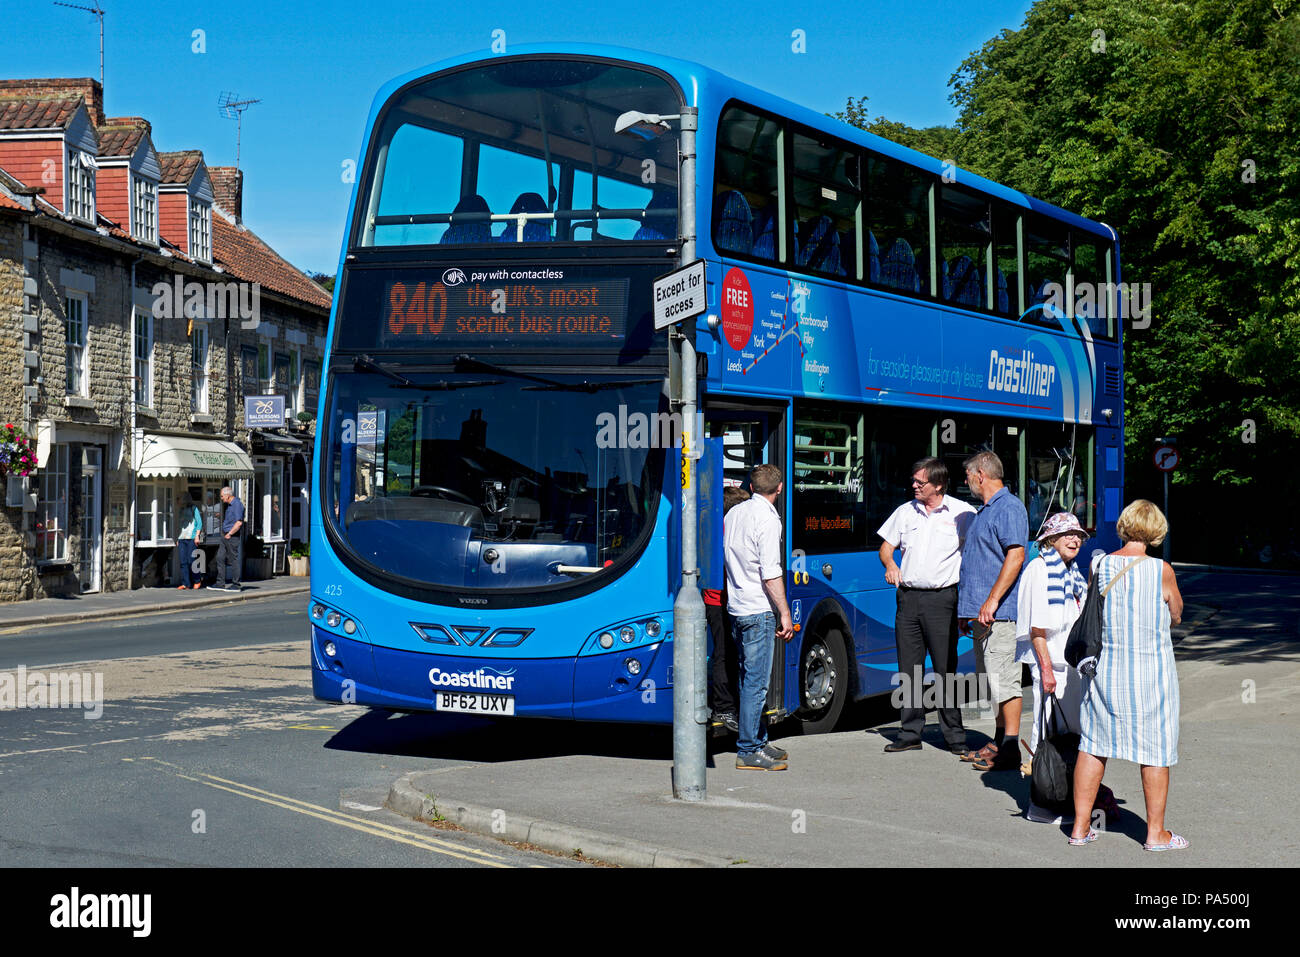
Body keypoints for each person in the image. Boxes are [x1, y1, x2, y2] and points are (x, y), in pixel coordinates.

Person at [1069, 500, 1186, 850]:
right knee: (1156, 750)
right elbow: (1176, 613)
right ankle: (1155, 835)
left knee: (1092, 746)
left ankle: (1079, 829)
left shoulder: (1100, 565)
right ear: (1156, 531)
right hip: (1151, 676)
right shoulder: (1161, 570)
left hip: (1105, 671)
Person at [1015, 512, 1118, 823]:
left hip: (1071, 668)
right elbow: (1036, 630)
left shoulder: (1070, 572)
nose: (1075, 540)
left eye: (1078, 536)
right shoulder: (1039, 569)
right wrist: (1045, 670)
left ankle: (1064, 798)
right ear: (1050, 539)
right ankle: (1041, 805)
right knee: (1045, 735)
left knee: (1072, 735)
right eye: (1068, 535)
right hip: (1053, 667)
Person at [877, 457, 976, 754]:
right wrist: (890, 564)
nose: (914, 486)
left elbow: (973, 558)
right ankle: (909, 732)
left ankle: (955, 736)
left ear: (939, 484)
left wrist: (968, 603)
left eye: (921, 482)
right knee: (909, 669)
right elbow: (885, 547)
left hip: (943, 598)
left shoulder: (963, 513)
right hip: (908, 598)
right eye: (914, 480)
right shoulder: (905, 512)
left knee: (945, 668)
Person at [958, 451, 1028, 771]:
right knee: (992, 682)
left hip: (1001, 614)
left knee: (1005, 682)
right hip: (982, 616)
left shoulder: (1009, 507)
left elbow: (1016, 556)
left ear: (981, 475)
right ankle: (999, 740)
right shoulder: (984, 511)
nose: (966, 481)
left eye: (968, 475)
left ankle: (1011, 749)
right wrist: (968, 610)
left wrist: (991, 601)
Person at [724, 463, 794, 770]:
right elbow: (770, 573)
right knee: (756, 683)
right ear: (779, 489)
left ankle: (759, 739)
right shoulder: (767, 520)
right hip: (758, 609)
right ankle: (748, 749)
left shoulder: (734, 513)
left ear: (751, 487)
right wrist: (785, 613)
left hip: (736, 607)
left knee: (746, 678)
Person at [707, 485, 750, 734]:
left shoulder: (716, 527)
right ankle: (724, 708)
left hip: (719, 598)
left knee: (727, 653)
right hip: (720, 599)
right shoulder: (729, 529)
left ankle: (727, 705)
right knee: (725, 654)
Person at [215, 486, 245, 591]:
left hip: (231, 536)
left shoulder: (237, 505)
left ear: (228, 495)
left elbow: (239, 522)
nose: (221, 498)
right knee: (220, 557)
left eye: (222, 496)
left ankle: (236, 584)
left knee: (233, 560)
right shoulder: (229, 505)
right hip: (225, 535)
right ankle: (220, 583)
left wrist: (230, 533)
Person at [176, 492, 204, 590]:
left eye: (179, 498)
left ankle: (197, 580)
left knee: (191, 560)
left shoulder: (194, 508)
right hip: (182, 538)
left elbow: (199, 523)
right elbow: (181, 525)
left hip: (191, 537)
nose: (177, 501)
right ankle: (186, 583)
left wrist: (197, 536)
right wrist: (178, 538)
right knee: (183, 562)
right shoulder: (181, 509)